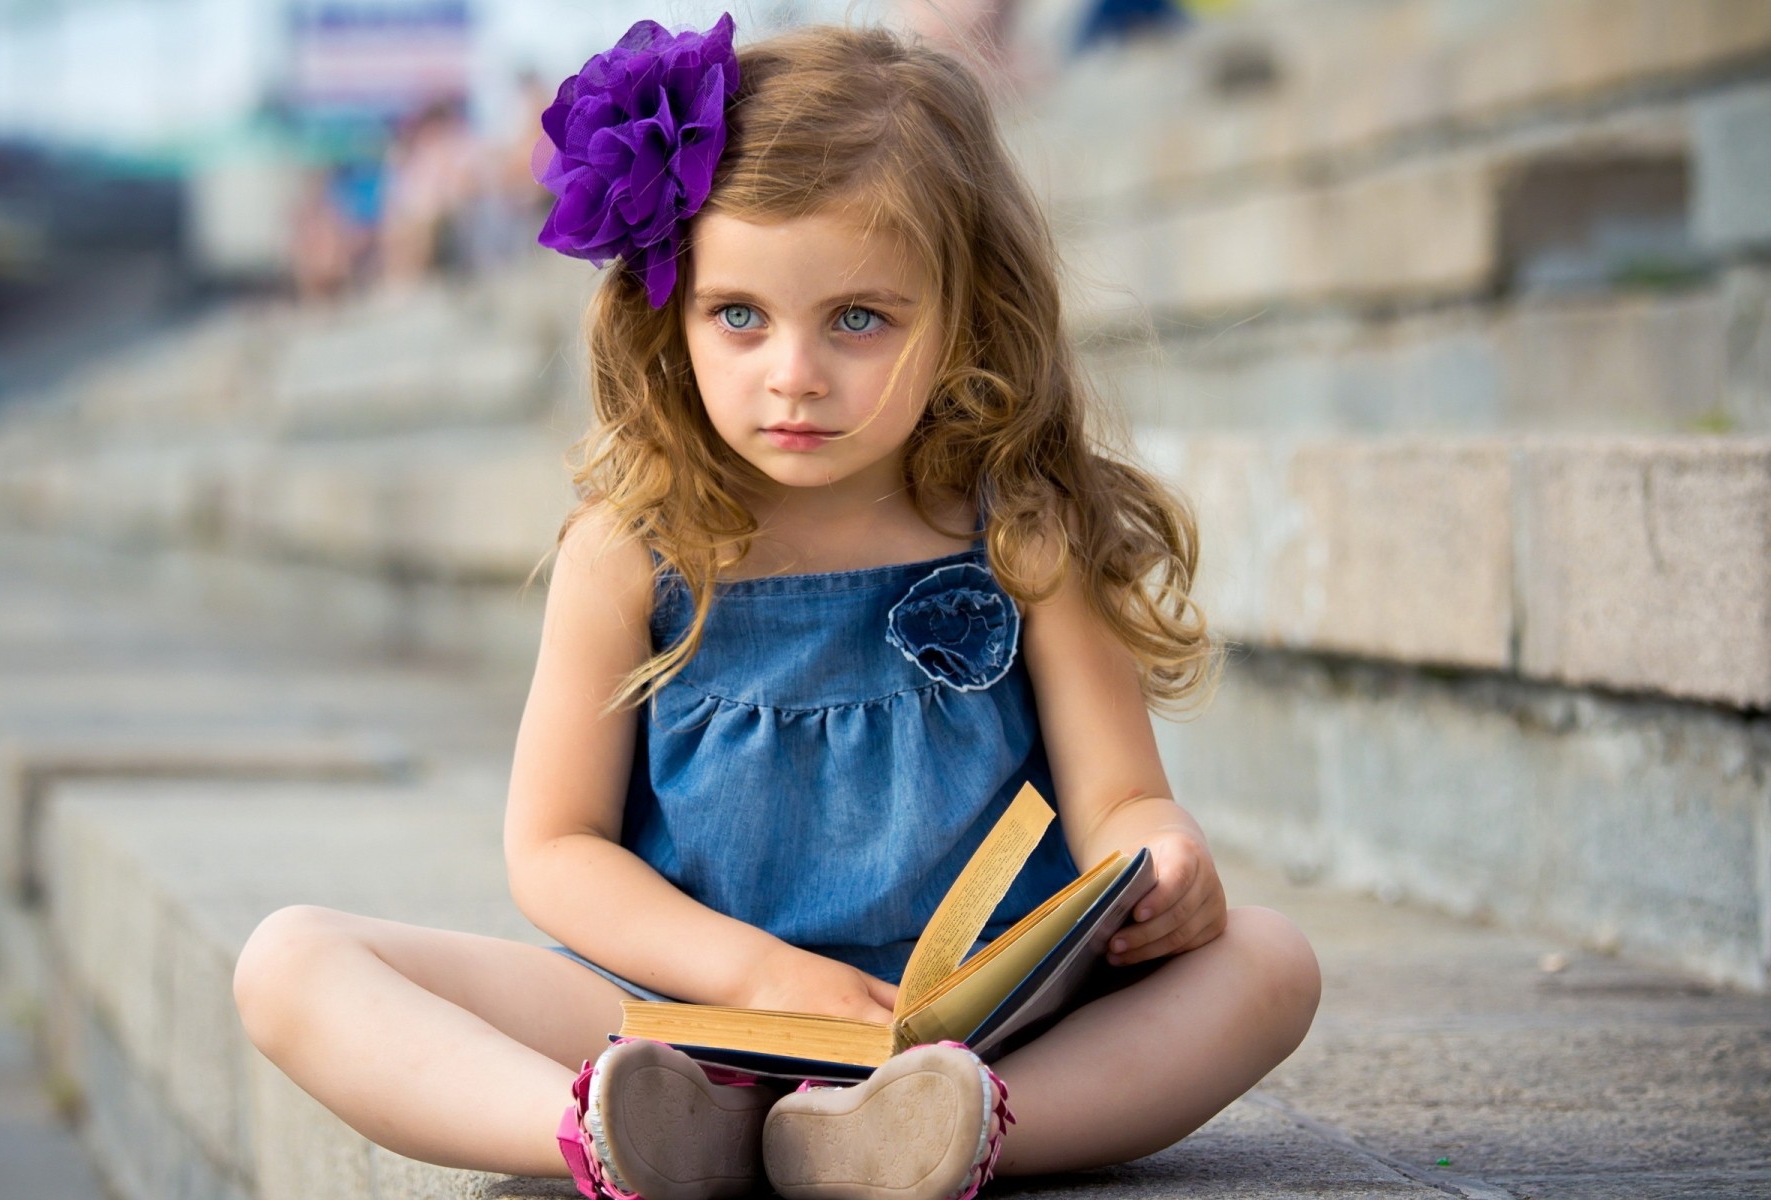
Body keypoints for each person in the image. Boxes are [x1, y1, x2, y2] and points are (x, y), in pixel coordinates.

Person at [231, 16, 1320, 1200]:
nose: (793, 373)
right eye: (739, 315)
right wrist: (753, 978)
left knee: (1270, 962)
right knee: (291, 961)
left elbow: (1122, 799)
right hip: (676, 1018)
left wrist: (1164, 863)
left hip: (959, 1027)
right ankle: (603, 1135)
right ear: (672, 313)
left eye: (860, 318)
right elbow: (555, 850)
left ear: (962, 314)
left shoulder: (1023, 532)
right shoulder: (631, 553)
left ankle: (948, 1131)